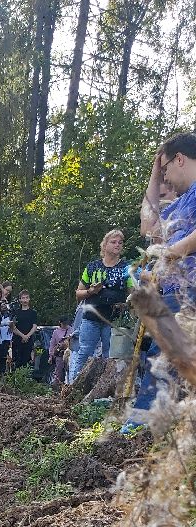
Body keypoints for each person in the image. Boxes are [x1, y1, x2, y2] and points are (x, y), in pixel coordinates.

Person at [123, 133, 196, 429]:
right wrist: (154, 174)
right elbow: (147, 226)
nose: (164, 179)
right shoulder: (179, 204)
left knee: (165, 354)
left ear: (180, 159)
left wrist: (174, 252)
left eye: (165, 169)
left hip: (189, 289)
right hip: (174, 291)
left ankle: (140, 427)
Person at [70, 230, 135, 383]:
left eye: (120, 242)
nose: (117, 245)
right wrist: (91, 291)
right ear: (105, 245)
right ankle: (74, 387)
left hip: (114, 320)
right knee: (84, 352)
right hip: (91, 317)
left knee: (110, 355)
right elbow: (78, 294)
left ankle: (105, 390)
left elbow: (132, 293)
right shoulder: (92, 267)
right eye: (113, 242)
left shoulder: (127, 267)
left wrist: (126, 304)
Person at [10, 289, 38, 368]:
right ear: (20, 300)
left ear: (29, 299)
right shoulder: (16, 312)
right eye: (23, 298)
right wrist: (22, 336)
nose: (25, 300)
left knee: (27, 362)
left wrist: (27, 336)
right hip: (17, 340)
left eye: (26, 298)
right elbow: (13, 327)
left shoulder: (33, 313)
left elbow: (34, 326)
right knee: (17, 362)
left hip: (29, 341)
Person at [49, 315, 72, 389]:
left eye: (66, 323)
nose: (65, 325)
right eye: (64, 323)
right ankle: (58, 388)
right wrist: (51, 356)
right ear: (60, 323)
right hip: (59, 354)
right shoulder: (56, 332)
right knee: (59, 372)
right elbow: (52, 344)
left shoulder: (71, 330)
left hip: (69, 353)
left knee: (69, 370)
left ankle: (68, 386)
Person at [0, 291, 12, 378]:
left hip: (6, 339)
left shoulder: (10, 314)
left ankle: (1, 377)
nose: (4, 305)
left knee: (4, 358)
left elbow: (13, 327)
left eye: (5, 303)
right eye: (2, 303)